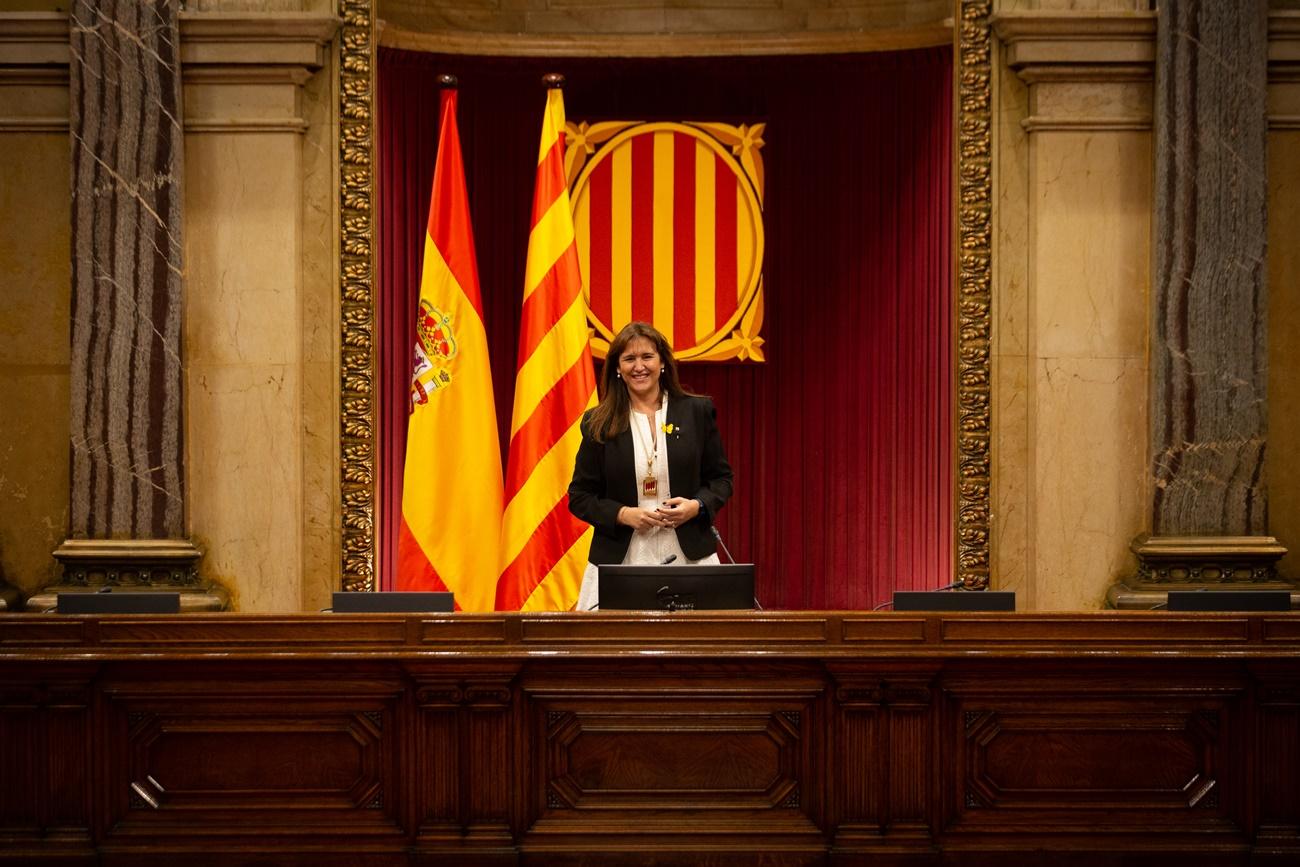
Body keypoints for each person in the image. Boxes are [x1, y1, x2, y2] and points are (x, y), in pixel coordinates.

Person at [568, 321, 734, 611]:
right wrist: (623, 514)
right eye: (629, 359)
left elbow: (721, 480)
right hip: (622, 557)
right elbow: (580, 496)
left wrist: (696, 507)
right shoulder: (598, 423)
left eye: (647, 357)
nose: (639, 366)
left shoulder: (697, 412)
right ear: (618, 368)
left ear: (662, 363)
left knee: (697, 649)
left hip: (690, 555)